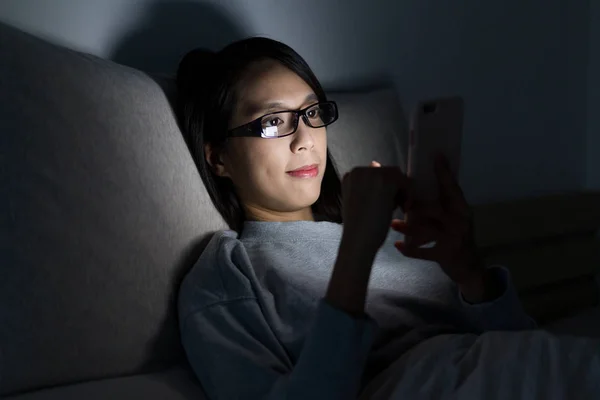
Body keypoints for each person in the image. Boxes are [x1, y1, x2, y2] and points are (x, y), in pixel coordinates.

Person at [176, 38, 600, 400]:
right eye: (272, 122)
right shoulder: (227, 273)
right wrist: (356, 248)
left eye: (312, 113)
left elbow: (519, 345)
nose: (305, 140)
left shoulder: (390, 230)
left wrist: (469, 270)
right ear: (218, 159)